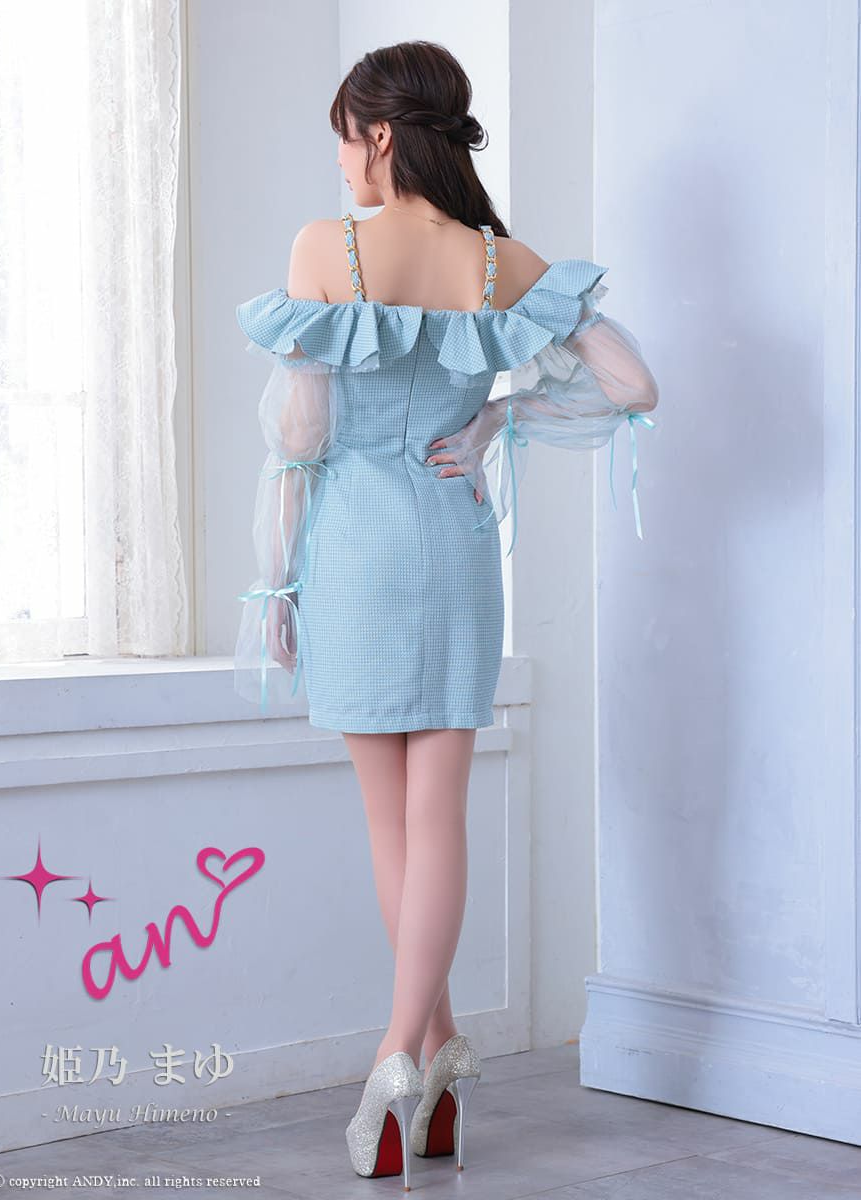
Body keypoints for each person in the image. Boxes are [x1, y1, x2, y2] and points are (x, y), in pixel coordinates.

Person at [233, 39, 659, 1190]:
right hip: (457, 545)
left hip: (356, 552)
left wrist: (274, 585)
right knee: (441, 822)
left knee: (392, 827)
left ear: (380, 133)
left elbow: (300, 438)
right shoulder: (498, 260)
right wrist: (497, 417)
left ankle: (393, 1060)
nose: (339, 159)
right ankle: (440, 1052)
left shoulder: (326, 249)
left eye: (344, 135)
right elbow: (633, 385)